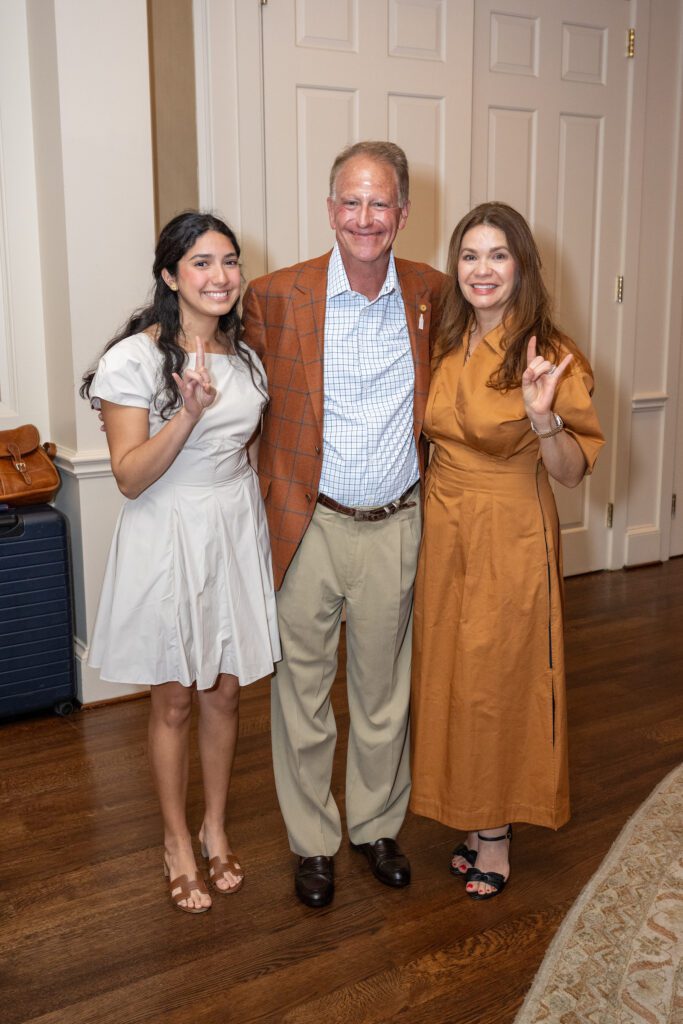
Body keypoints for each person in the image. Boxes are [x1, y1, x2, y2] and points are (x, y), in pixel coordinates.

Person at [242, 141, 447, 907]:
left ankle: (373, 826)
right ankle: (312, 842)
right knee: (300, 690)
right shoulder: (275, 295)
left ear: (401, 214)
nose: (365, 218)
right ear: (331, 210)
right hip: (308, 523)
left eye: (380, 203)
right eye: (351, 202)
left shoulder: (433, 293)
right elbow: (231, 383)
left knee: (382, 689)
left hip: (396, 520)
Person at [81, 211, 281, 914]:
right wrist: (188, 413)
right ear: (170, 276)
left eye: (228, 260)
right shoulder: (132, 360)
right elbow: (131, 475)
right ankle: (173, 841)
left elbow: (250, 454)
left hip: (231, 528)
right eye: (201, 262)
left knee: (225, 691)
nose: (220, 275)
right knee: (172, 698)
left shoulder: (247, 357)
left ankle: (214, 825)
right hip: (166, 530)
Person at [409, 202, 605, 900]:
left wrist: (542, 417)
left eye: (497, 255)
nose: (481, 269)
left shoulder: (548, 354)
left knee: (498, 681)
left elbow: (571, 471)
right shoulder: (442, 339)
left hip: (509, 529)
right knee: (451, 674)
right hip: (442, 525)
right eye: (469, 255)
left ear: (520, 265)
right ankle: (467, 811)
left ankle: (494, 834)